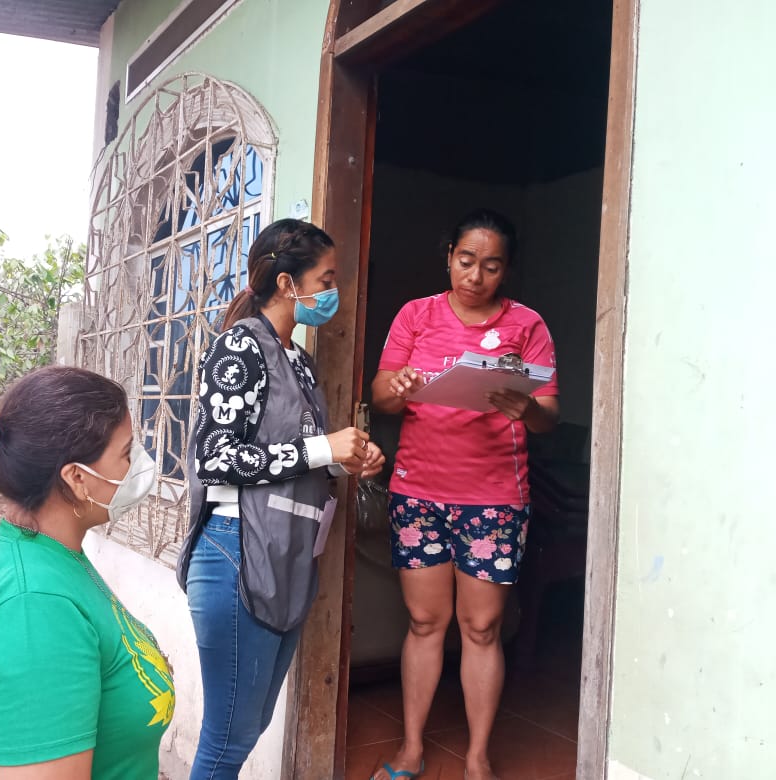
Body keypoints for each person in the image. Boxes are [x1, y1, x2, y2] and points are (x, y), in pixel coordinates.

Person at [176, 218, 385, 779]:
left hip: (283, 553)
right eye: (327, 279)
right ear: (289, 284)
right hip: (236, 551)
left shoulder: (298, 360)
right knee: (228, 737)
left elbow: (291, 456)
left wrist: (344, 460)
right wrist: (321, 448)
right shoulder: (240, 347)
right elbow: (214, 458)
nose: (334, 291)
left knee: (248, 727)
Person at [368, 209, 560, 780]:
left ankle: (477, 757)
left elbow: (549, 414)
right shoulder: (416, 315)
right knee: (425, 622)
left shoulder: (527, 325)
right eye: (466, 260)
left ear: (507, 270)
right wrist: (399, 387)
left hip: (495, 498)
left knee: (481, 628)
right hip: (418, 493)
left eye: (491, 266)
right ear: (449, 256)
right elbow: (382, 396)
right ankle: (411, 749)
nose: (476, 276)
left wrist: (527, 409)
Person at [0, 366, 175, 780]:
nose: (139, 465)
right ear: (78, 478)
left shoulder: (51, 555)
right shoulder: (32, 608)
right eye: (126, 453)